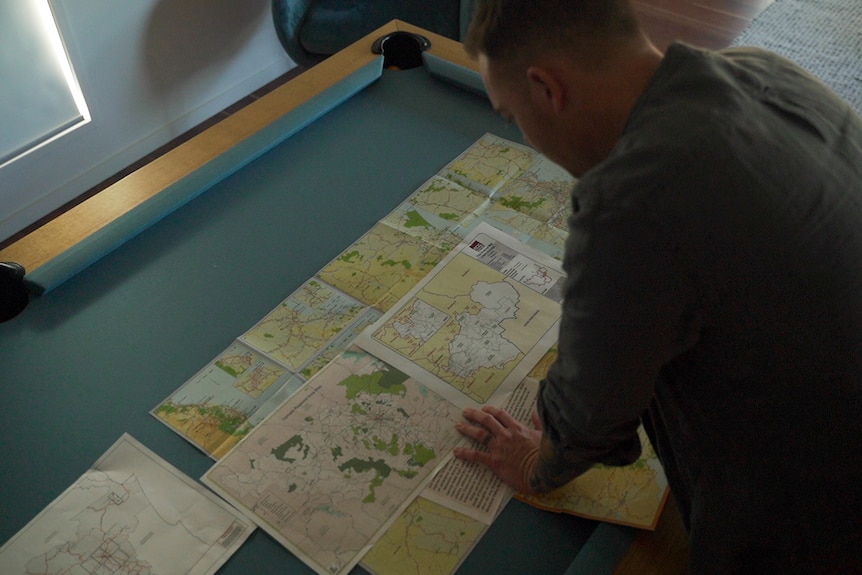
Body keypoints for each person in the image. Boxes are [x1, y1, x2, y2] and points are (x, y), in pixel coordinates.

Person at [451, 1, 862, 572]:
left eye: (510, 113)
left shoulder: (628, 199)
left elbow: (588, 417)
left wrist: (533, 463)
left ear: (546, 87)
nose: (522, 132)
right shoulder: (764, 67)